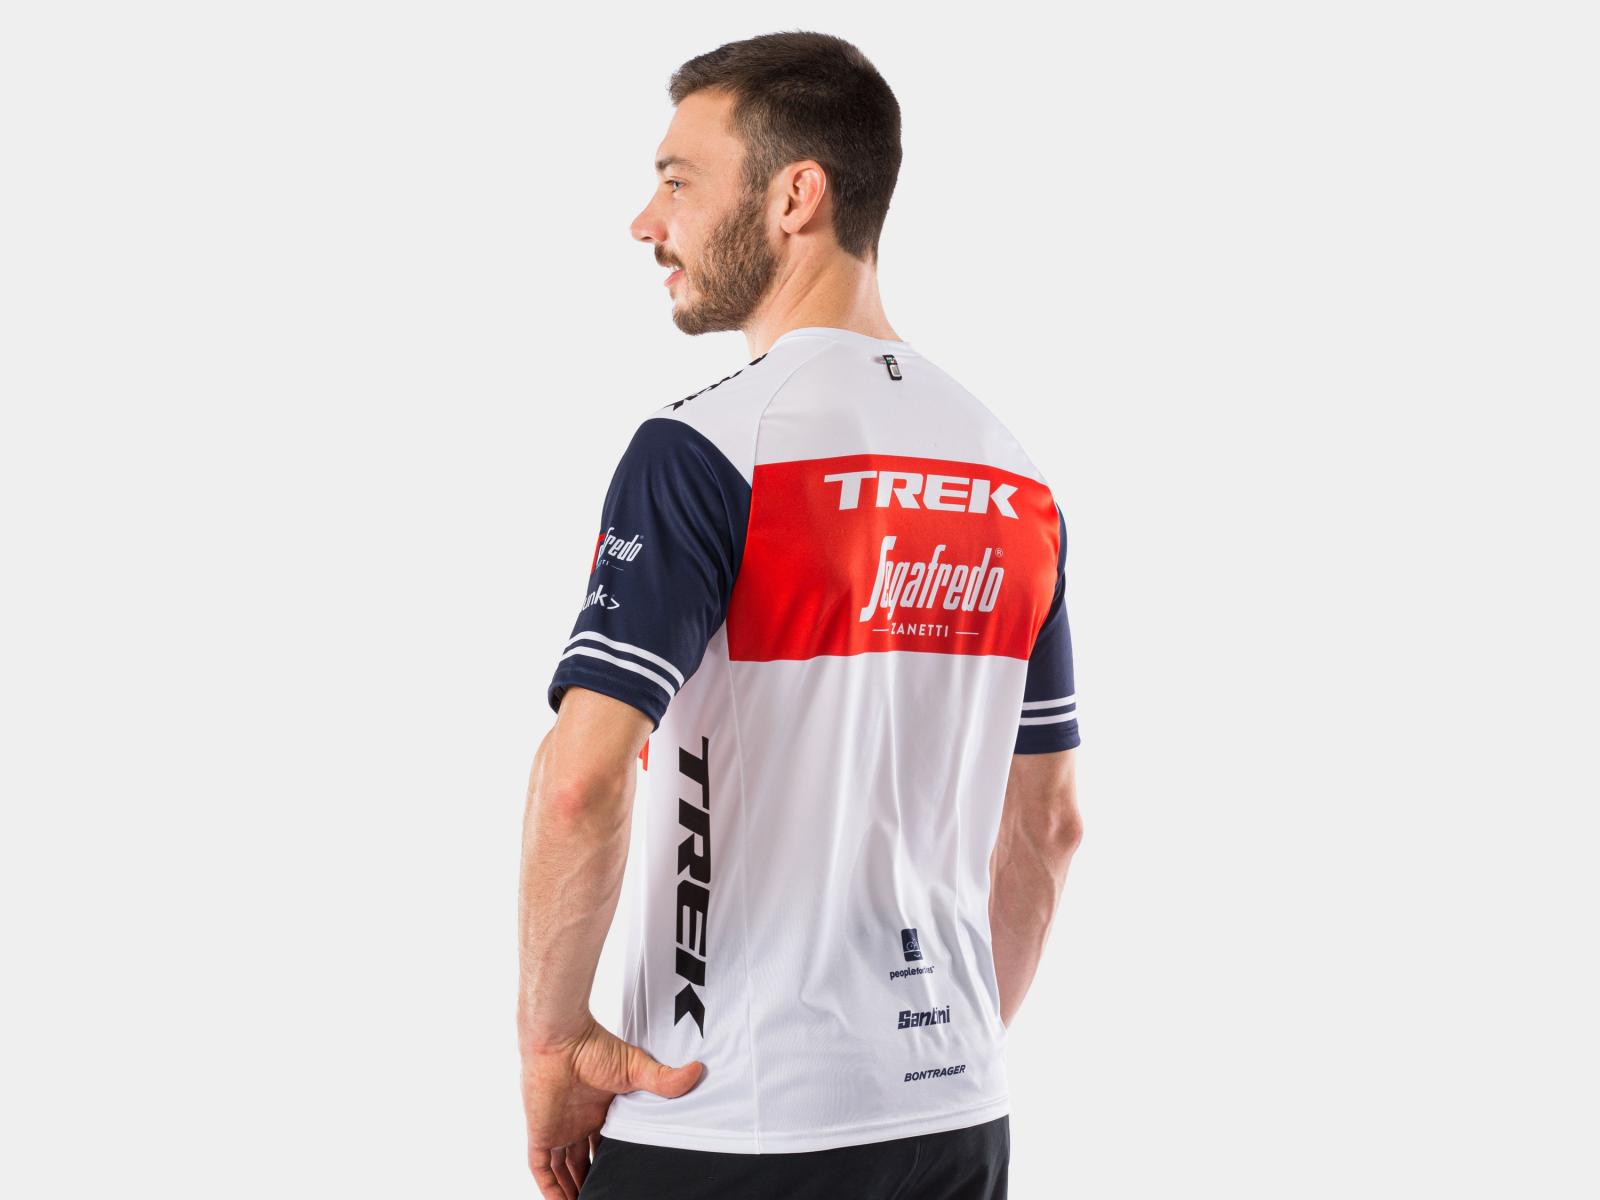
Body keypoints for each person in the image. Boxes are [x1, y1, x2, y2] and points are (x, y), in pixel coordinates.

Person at [517, 31, 1083, 1200]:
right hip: (955, 1124)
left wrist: (551, 1046)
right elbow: (1050, 826)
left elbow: (580, 784)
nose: (646, 221)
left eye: (678, 181)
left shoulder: (704, 451)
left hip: (729, 1120)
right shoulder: (1012, 473)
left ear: (795, 196)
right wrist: (942, 1061)